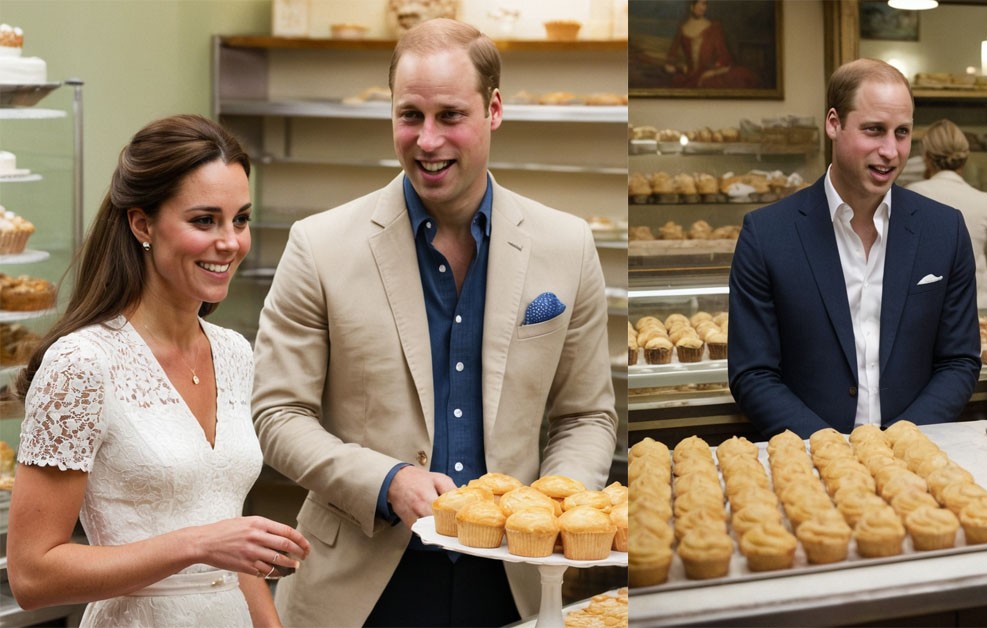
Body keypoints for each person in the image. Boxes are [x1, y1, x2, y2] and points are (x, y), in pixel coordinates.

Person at [252, 18, 618, 627]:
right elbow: (277, 414)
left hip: (512, 582)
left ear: (494, 109)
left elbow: (587, 415)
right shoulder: (318, 246)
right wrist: (387, 480)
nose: (426, 140)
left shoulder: (567, 245)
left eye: (450, 116)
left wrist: (547, 508)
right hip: (358, 590)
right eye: (409, 115)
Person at [6, 114, 311, 627]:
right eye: (204, 220)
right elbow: (33, 575)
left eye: (240, 219)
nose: (231, 242)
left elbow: (234, 554)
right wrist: (199, 543)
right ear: (142, 223)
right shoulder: (81, 364)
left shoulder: (234, 353)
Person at [728, 58, 981, 439]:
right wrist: (831, 449)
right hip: (809, 462)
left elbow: (959, 360)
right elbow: (753, 373)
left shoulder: (944, 229)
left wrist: (901, 441)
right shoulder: (766, 234)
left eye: (902, 133)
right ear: (834, 123)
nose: (891, 151)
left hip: (917, 457)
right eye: (874, 130)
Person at [907, 119, 987, 310]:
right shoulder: (985, 200)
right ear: (965, 157)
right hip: (980, 303)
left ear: (926, 157)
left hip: (932, 306)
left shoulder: (913, 194)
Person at [664, 0, 759, 89]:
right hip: (690, 76)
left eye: (705, 4)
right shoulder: (682, 29)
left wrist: (711, 72)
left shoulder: (714, 27)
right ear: (691, 6)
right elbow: (671, 57)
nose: (703, 8)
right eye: (700, 3)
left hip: (711, 74)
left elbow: (724, 57)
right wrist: (681, 67)